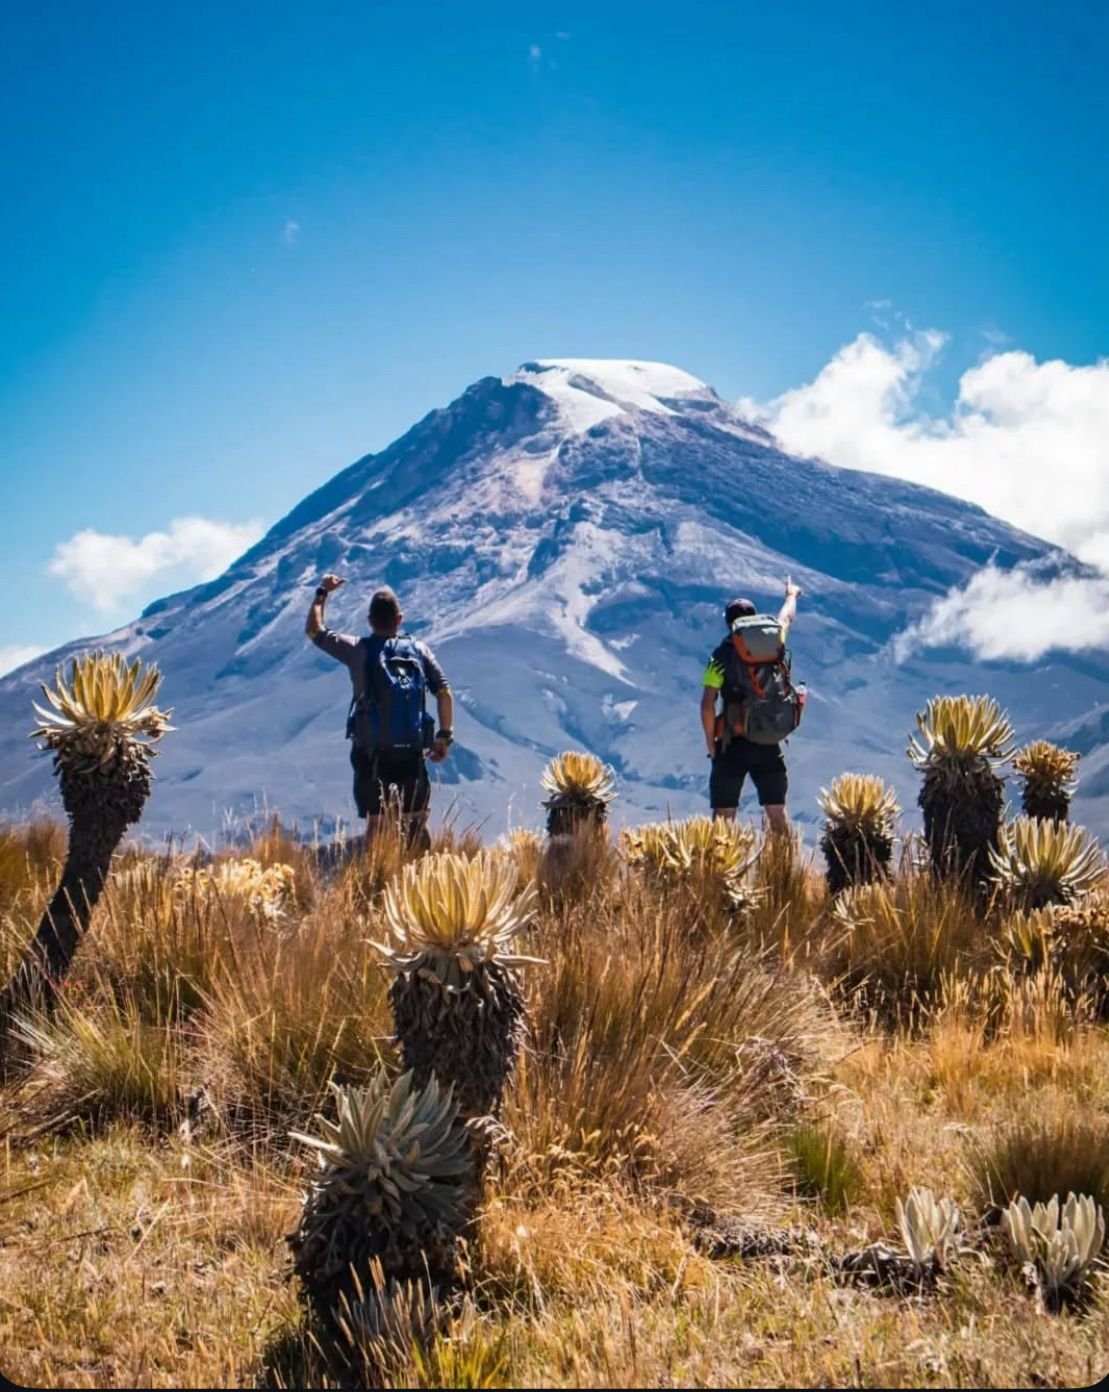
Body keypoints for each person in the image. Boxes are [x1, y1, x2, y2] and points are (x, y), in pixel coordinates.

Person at [306, 574, 454, 846]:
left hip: (370, 753)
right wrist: (444, 736)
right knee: (415, 822)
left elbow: (314, 630)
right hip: (411, 752)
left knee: (377, 823)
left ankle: (378, 870)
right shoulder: (419, 650)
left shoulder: (358, 649)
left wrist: (322, 592)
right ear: (400, 619)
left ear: (370, 621)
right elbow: (443, 692)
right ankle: (417, 868)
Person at [700, 576, 803, 834]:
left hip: (732, 742)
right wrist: (791, 595)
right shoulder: (774, 641)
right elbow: (786, 617)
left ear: (729, 623)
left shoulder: (721, 655)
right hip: (769, 738)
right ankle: (783, 859)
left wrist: (711, 744)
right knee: (777, 813)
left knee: (723, 818)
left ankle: (721, 860)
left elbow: (708, 703)